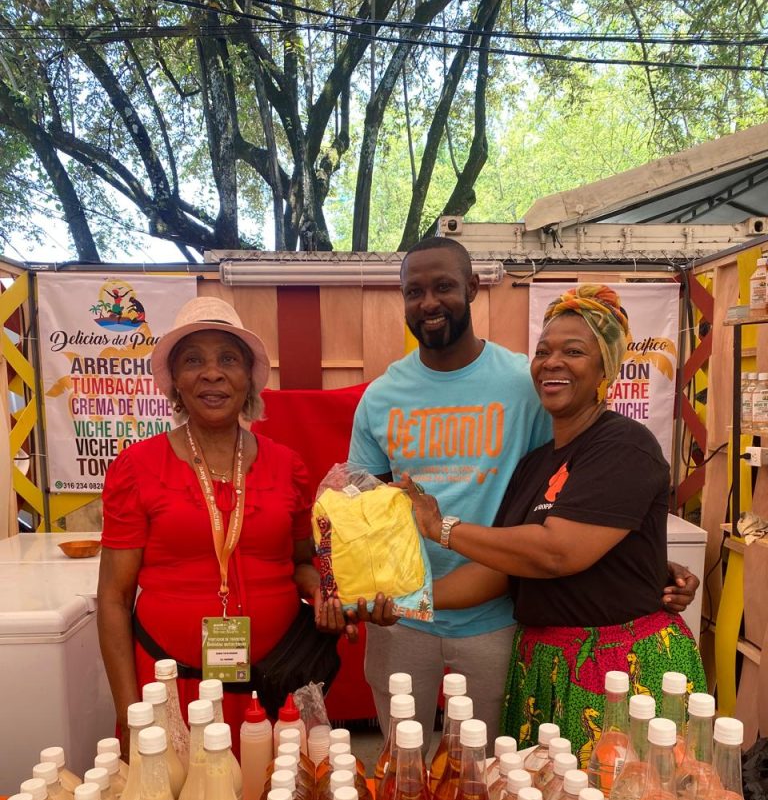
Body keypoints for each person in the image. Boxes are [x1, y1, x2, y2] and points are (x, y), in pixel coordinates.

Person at [350, 237, 699, 746]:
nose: (428, 302)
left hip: (521, 629)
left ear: (472, 287)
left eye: (444, 286)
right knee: (407, 762)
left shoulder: (545, 397)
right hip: (435, 628)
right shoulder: (383, 397)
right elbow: (367, 512)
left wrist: (441, 528)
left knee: (504, 769)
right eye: (413, 291)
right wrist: (384, 597)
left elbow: (560, 544)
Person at [97, 296, 351, 758]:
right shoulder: (136, 467)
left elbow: (300, 563)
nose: (212, 374)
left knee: (275, 797)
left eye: (228, 359)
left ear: (248, 378)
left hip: (272, 686)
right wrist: (131, 716)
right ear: (175, 381)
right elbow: (113, 599)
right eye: (193, 360)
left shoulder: (288, 466)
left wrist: (321, 589)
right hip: (170, 689)